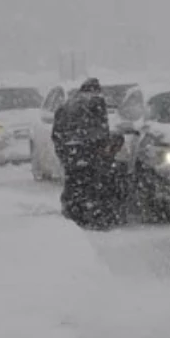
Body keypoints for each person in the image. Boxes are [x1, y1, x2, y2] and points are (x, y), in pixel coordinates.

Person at [52, 78, 124, 230]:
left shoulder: (67, 104)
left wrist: (63, 151)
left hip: (70, 152)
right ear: (96, 90)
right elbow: (101, 130)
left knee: (73, 182)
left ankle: (73, 212)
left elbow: (56, 133)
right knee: (96, 184)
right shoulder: (96, 101)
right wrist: (102, 149)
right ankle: (98, 217)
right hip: (90, 151)